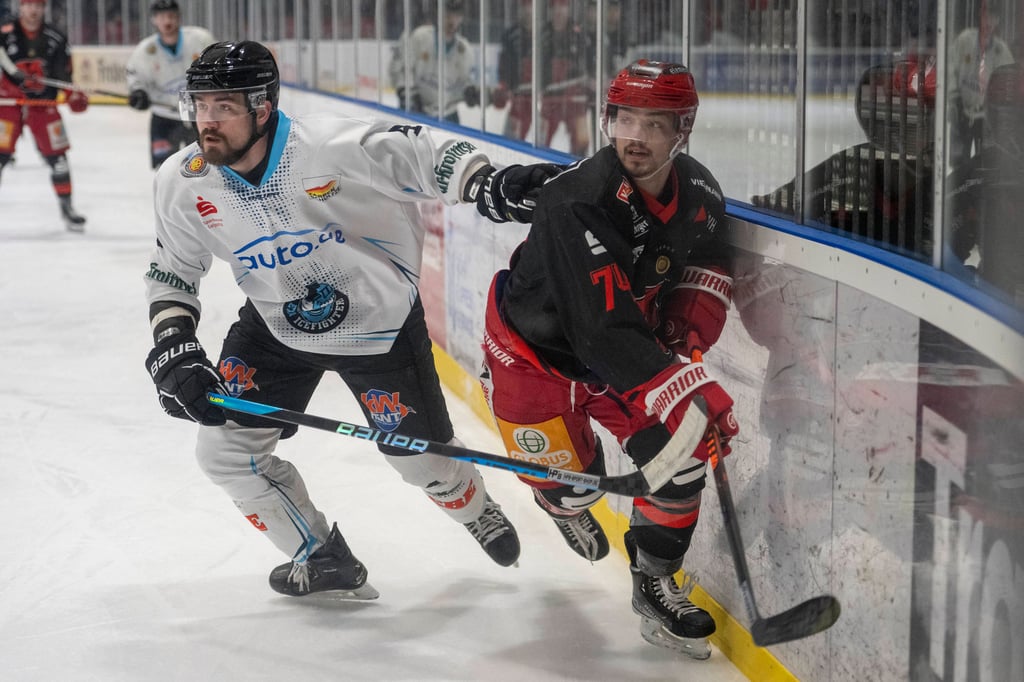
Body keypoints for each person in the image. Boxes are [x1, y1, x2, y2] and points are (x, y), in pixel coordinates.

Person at [143, 40, 560, 599]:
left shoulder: (333, 147)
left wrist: (488, 184)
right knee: (223, 453)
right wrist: (174, 342)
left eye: (223, 107)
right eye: (199, 105)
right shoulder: (184, 180)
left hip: (380, 328)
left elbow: (429, 155)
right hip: (274, 328)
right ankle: (319, 555)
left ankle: (474, 505)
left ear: (263, 107)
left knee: (425, 466)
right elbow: (173, 271)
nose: (206, 122)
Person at [479, 60, 738, 659]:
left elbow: (711, 258)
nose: (635, 136)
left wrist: (688, 326)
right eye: (624, 118)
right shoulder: (577, 201)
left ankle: (654, 583)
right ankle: (560, 502)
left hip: (623, 355)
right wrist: (684, 382)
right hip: (531, 359)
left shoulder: (697, 191)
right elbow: (596, 331)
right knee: (575, 488)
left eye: (654, 122)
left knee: (682, 457)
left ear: (684, 129)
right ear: (607, 119)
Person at [0, 0, 88, 231]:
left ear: (44, 8)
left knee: (59, 162)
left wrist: (72, 93)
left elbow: (63, 74)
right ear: (21, 7)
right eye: (28, 4)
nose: (33, 10)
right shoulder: (4, 32)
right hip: (9, 104)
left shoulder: (56, 37)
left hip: (43, 104)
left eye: (37, 5)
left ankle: (67, 207)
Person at [494, 0, 594, 156]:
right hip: (548, 103)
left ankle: (578, 174)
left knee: (581, 143)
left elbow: (590, 67)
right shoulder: (539, 34)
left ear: (568, 8)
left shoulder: (579, 34)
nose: (559, 11)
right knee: (540, 143)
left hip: (574, 102)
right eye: (555, 7)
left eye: (563, 6)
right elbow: (526, 68)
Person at [125, 0, 214, 169]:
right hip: (163, 117)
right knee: (164, 169)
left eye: (171, 16)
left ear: (179, 18)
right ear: (153, 20)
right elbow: (135, 77)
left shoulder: (200, 39)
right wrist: (138, 93)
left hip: (197, 115)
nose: (167, 21)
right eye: (161, 17)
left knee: (203, 169)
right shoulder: (145, 51)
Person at [387, 0, 478, 124]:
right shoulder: (420, 37)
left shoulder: (465, 50)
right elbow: (401, 69)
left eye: (456, 16)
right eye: (448, 15)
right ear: (438, 14)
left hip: (448, 115)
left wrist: (470, 91)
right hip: (415, 110)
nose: (452, 22)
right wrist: (407, 94)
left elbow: (465, 83)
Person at [948, 0, 1014, 167]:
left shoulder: (1002, 51)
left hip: (987, 120)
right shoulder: (964, 41)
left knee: (984, 165)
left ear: (998, 21)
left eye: (993, 17)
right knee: (958, 164)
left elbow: (1010, 85)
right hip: (962, 115)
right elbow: (949, 72)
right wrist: (955, 100)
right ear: (979, 14)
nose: (989, 21)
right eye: (986, 15)